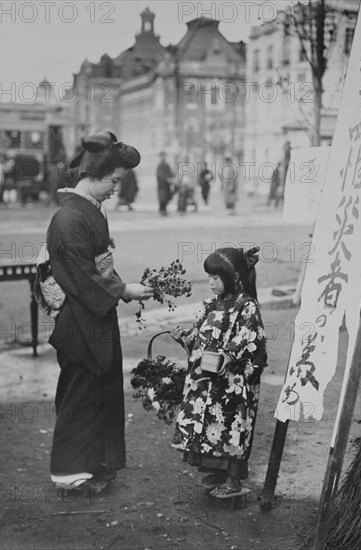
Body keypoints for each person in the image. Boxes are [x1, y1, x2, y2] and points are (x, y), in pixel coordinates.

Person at [44, 131, 154, 494]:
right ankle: (67, 470)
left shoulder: (88, 212)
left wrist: (120, 288)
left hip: (93, 315)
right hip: (77, 320)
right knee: (80, 390)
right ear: (93, 175)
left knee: (99, 389)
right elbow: (79, 274)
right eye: (115, 181)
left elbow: (99, 268)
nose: (116, 189)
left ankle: (92, 464)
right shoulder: (68, 219)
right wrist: (122, 291)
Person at [170, 246, 267, 498]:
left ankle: (233, 479)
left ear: (234, 277)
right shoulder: (208, 305)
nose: (210, 282)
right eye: (209, 276)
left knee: (232, 425)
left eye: (216, 277)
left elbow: (251, 339)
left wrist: (228, 355)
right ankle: (218, 471)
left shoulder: (247, 307)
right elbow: (197, 337)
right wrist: (184, 336)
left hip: (232, 383)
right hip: (207, 380)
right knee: (208, 424)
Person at [156, 151, 174, 216]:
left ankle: (164, 210)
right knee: (162, 198)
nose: (164, 157)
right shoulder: (160, 165)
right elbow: (161, 175)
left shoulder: (166, 165)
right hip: (162, 185)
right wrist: (166, 179)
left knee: (166, 197)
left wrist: (171, 177)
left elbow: (170, 173)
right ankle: (162, 210)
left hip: (166, 185)